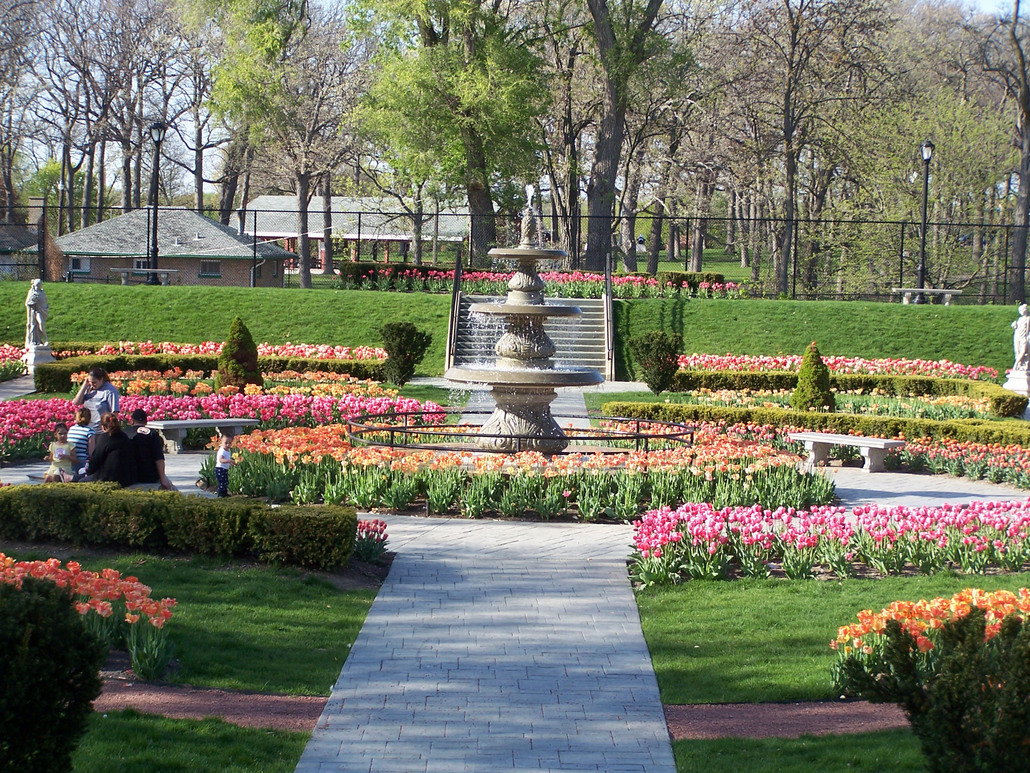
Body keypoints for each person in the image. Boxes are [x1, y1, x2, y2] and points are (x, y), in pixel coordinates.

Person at [128, 408, 176, 490]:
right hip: (150, 477)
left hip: (130, 476)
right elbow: (159, 459)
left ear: (132, 421)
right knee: (172, 488)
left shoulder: (125, 433)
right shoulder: (153, 434)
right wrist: (163, 479)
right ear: (146, 422)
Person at [88, 413, 137, 488]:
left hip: (108, 478)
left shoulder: (104, 438)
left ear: (103, 427)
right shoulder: (124, 437)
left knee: (81, 480)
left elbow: (95, 459)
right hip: (127, 479)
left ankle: (69, 478)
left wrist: (89, 471)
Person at [66, 407, 95, 482]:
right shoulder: (89, 431)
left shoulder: (71, 429)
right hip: (81, 461)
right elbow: (91, 452)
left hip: (69, 459)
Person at [25, 278, 48, 348]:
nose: (41, 285)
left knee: (40, 324)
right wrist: (33, 302)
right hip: (34, 311)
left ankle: (43, 339)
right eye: (40, 284)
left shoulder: (42, 292)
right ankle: (34, 341)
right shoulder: (31, 292)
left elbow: (45, 302)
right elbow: (27, 303)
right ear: (37, 285)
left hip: (41, 311)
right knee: (34, 325)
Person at [214, 432, 235, 498]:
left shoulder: (227, 450)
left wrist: (232, 463)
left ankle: (224, 493)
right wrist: (229, 461)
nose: (228, 445)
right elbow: (221, 460)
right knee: (222, 482)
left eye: (230, 443)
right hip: (220, 469)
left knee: (225, 481)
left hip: (224, 469)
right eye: (226, 443)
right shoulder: (222, 450)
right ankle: (221, 495)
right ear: (221, 442)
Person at [1012, 303, 1030, 372]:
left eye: (1021, 310)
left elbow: (1028, 330)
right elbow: (1017, 328)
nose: (1020, 312)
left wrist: (1027, 337)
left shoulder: (1028, 318)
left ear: (1025, 310)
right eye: (1020, 311)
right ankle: (1019, 365)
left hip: (1024, 337)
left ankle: (1015, 365)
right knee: (1018, 351)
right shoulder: (1020, 319)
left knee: (1023, 351)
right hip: (1017, 335)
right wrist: (1014, 325)